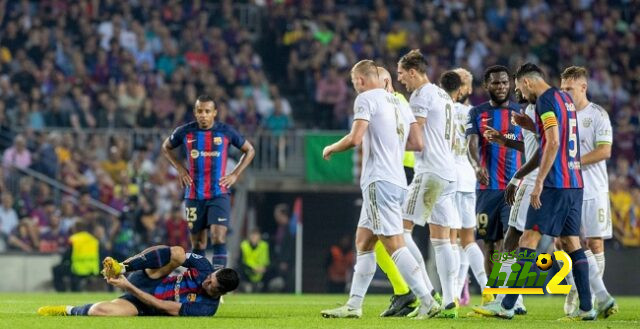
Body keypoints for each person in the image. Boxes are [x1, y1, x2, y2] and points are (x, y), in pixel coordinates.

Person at [473, 62, 595, 320]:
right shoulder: (564, 98)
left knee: (526, 240)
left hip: (554, 183)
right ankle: (587, 307)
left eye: (518, 87)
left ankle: (506, 305)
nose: (521, 94)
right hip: (574, 182)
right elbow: (553, 134)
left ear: (526, 82)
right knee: (573, 243)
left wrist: (538, 181)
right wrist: (530, 126)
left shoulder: (545, 101)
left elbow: (552, 142)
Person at [320, 59, 439, 319]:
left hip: (378, 180)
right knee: (364, 241)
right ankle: (353, 305)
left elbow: (355, 138)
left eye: (354, 83)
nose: (355, 87)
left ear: (360, 80)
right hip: (398, 180)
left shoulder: (366, 98)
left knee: (394, 244)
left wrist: (330, 148)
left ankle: (427, 300)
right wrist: (390, 148)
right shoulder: (399, 102)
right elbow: (418, 142)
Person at [396, 49, 459, 318]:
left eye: (401, 74)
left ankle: (426, 294)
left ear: (413, 72)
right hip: (448, 172)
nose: (401, 80)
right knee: (441, 239)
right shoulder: (442, 94)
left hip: (430, 171)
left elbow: (416, 134)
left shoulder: (420, 95)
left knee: (399, 232)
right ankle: (450, 301)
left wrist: (391, 141)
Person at [162, 95, 255, 269]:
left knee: (218, 236)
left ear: (214, 113)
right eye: (200, 111)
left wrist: (235, 174)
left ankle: (218, 286)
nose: (203, 115)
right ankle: (200, 284)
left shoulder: (225, 131)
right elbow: (165, 147)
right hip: (193, 194)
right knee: (198, 244)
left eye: (207, 111)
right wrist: (180, 168)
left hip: (219, 193)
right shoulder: (185, 131)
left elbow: (250, 150)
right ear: (195, 113)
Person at [559, 66, 618, 318]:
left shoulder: (597, 115)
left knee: (594, 243)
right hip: (569, 188)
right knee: (566, 242)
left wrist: (573, 160)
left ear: (583, 87)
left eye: (569, 89)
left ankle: (592, 296)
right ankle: (579, 289)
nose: (564, 93)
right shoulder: (562, 114)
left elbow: (605, 151)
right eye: (562, 89)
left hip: (594, 189)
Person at [38, 245, 239, 317]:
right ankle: (123, 266)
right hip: (152, 277)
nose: (207, 282)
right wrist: (125, 275)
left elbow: (161, 306)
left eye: (212, 285)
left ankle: (66, 310)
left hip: (144, 305)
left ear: (221, 293)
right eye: (210, 277)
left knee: (99, 312)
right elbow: (174, 256)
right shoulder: (204, 266)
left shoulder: (205, 309)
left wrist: (128, 287)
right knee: (177, 252)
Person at [465, 65, 522, 288]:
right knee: (490, 242)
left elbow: (532, 146)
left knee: (512, 239)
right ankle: (494, 292)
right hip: (487, 189)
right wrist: (476, 166)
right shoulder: (477, 113)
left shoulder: (521, 113)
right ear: (486, 85)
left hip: (514, 188)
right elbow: (471, 143)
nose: (501, 87)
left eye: (505, 82)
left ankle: (512, 295)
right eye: (496, 83)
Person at [441, 69, 492, 307]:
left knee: (450, 240)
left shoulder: (444, 109)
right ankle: (480, 289)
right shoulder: (475, 113)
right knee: (468, 240)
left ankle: (452, 294)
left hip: (449, 178)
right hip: (469, 177)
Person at [239, 228, 270, 293]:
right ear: (249, 236)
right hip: (247, 273)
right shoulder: (244, 245)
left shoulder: (265, 245)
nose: (254, 238)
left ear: (260, 236)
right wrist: (252, 269)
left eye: (256, 235)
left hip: (262, 274)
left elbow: (270, 261)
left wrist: (265, 268)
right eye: (253, 235)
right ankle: (246, 286)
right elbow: (240, 262)